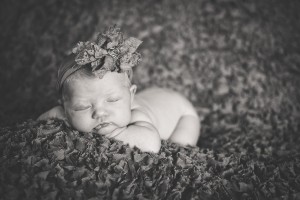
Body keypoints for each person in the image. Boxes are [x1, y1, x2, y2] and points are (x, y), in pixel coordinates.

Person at [38, 26, 200, 153]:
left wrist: (111, 135)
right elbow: (42, 121)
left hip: (181, 111)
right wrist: (58, 115)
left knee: (178, 146)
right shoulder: (67, 111)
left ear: (130, 96)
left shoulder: (137, 115)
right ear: (65, 106)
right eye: (83, 107)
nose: (100, 113)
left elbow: (150, 144)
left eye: (113, 100)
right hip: (152, 94)